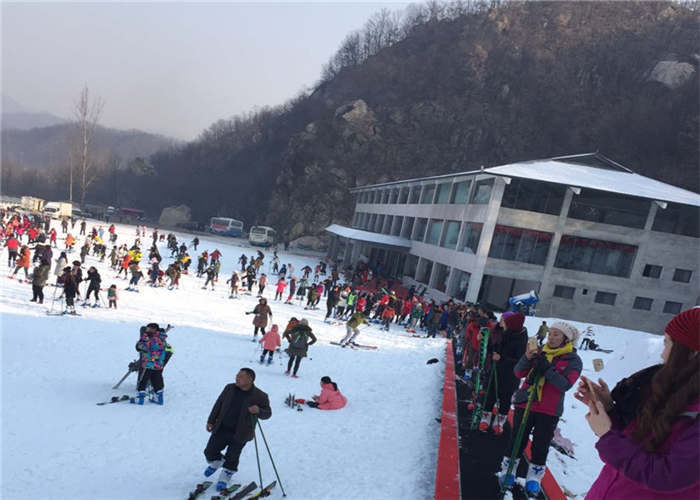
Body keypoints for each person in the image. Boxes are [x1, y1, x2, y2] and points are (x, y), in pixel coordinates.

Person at [577, 308, 699, 500]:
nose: (662, 354)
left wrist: (607, 436)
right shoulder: (671, 388)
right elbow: (638, 440)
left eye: (667, 343)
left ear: (691, 352)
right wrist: (608, 409)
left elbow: (667, 476)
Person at [498, 321, 582, 495]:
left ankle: (534, 477)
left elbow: (565, 384)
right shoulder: (540, 352)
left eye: (556, 335)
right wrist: (527, 357)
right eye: (550, 334)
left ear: (566, 339)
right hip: (526, 402)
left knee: (541, 444)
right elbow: (518, 372)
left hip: (549, 409)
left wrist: (547, 369)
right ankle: (508, 470)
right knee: (517, 438)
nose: (551, 338)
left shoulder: (573, 360)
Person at [203, 368, 271, 492]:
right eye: (237, 375)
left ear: (250, 380)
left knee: (232, 456)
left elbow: (267, 414)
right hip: (222, 427)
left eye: (240, 376)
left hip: (241, 433)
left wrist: (259, 410)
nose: (237, 378)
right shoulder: (229, 388)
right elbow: (218, 404)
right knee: (209, 451)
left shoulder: (260, 396)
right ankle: (218, 461)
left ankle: (225, 476)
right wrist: (211, 420)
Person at [479, 312, 527, 434]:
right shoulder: (502, 333)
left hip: (510, 375)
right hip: (496, 369)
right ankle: (486, 417)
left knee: (505, 397)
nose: (503, 324)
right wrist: (492, 350)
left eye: (506, 323)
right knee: (490, 394)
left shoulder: (521, 339)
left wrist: (502, 358)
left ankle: (500, 421)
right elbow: (492, 347)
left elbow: (519, 360)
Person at [132, 323, 171, 406]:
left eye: (148, 328)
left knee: (143, 380)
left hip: (148, 364)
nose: (146, 330)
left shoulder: (150, 338)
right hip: (158, 364)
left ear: (153, 329)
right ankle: (158, 397)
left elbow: (141, 347)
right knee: (156, 380)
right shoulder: (162, 338)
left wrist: (140, 343)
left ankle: (140, 398)